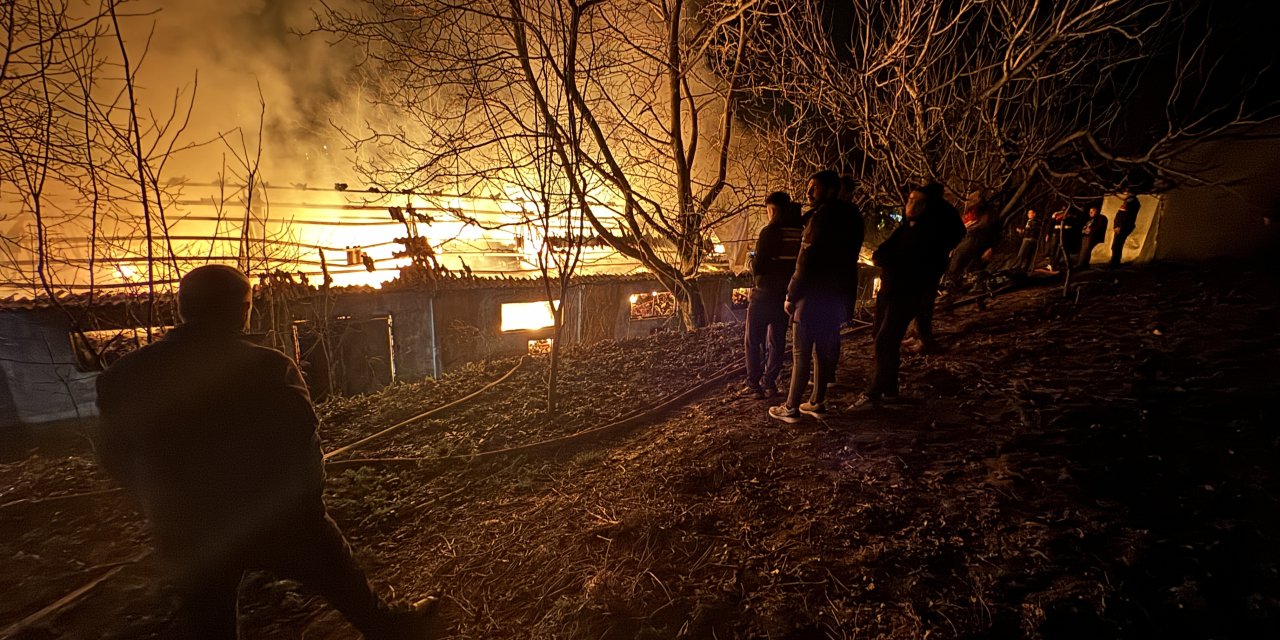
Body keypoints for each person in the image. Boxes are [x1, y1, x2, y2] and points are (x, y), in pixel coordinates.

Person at [94, 265, 439, 640]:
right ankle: (391, 627)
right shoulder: (268, 367)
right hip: (276, 518)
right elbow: (303, 443)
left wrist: (157, 507)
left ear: (182, 308)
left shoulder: (123, 376)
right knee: (341, 576)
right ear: (242, 309)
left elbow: (113, 456)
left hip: (186, 527)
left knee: (208, 620)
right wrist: (309, 511)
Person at [768, 171, 863, 423]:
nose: (809, 192)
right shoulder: (851, 216)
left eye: (815, 188)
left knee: (801, 353)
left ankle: (790, 408)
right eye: (808, 187)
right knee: (823, 350)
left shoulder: (820, 219)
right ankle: (816, 401)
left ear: (831, 190)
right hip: (835, 296)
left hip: (811, 297)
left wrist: (791, 293)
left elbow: (806, 261)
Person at [856, 183, 962, 406]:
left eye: (918, 202)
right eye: (910, 200)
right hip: (890, 290)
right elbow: (882, 253)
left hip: (906, 294)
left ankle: (874, 392)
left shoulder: (927, 235)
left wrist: (889, 259)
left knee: (886, 339)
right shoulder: (907, 228)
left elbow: (895, 258)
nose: (911, 205)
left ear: (929, 207)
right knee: (883, 338)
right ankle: (890, 390)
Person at [742, 192, 804, 398]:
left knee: (753, 340)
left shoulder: (769, 232)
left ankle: (754, 385)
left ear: (773, 210)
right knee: (777, 341)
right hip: (784, 296)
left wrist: (750, 261)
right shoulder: (799, 232)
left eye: (768, 210)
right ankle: (770, 382)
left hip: (763, 295)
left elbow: (759, 266)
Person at [905, 183, 965, 353]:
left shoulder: (939, 211)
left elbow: (958, 232)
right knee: (920, 302)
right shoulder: (938, 210)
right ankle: (917, 335)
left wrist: (941, 248)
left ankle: (924, 340)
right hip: (929, 262)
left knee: (924, 302)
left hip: (929, 264)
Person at [945, 190, 1001, 287]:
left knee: (960, 253)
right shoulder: (976, 214)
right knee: (958, 254)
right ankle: (958, 280)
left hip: (979, 239)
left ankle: (953, 280)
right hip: (974, 240)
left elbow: (989, 228)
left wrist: (991, 247)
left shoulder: (988, 215)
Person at [1110, 191, 1141, 268]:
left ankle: (1115, 264)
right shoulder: (1127, 202)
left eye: (1126, 193)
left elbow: (1126, 217)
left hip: (1123, 227)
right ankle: (1114, 262)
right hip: (1120, 226)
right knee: (1115, 245)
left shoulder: (1132, 203)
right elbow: (1119, 214)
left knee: (1117, 245)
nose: (1124, 194)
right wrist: (1116, 225)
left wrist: (1120, 226)